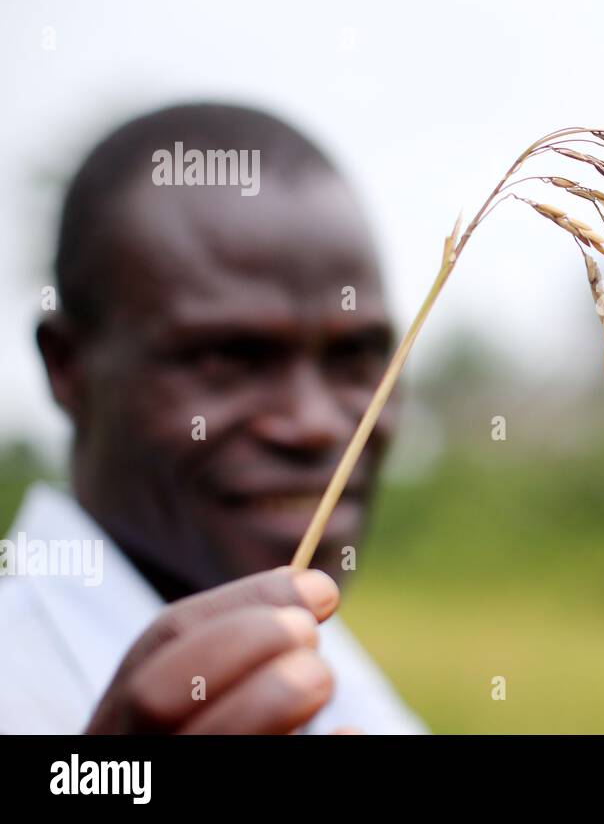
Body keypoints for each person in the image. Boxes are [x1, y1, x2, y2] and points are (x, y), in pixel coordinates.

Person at [0, 104, 426, 733]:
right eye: (229, 357)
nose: (312, 423)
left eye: (356, 357)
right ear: (68, 369)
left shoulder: (349, 691)